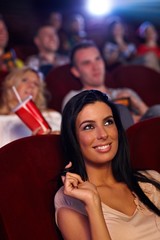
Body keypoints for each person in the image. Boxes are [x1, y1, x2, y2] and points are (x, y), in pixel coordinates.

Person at [54, 89, 160, 240]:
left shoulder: (151, 180)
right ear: (73, 139)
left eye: (108, 122)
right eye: (89, 126)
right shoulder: (70, 201)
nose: (103, 134)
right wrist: (92, 203)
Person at [62, 40, 160, 124]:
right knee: (120, 111)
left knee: (157, 109)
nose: (95, 67)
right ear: (76, 71)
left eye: (98, 59)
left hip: (142, 137)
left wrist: (138, 104)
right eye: (87, 63)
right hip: (109, 140)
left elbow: (153, 118)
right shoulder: (74, 97)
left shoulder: (126, 92)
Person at [0, 66, 61, 148]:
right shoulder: (2, 121)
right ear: (11, 86)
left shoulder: (53, 116)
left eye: (36, 84)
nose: (32, 85)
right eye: (24, 80)